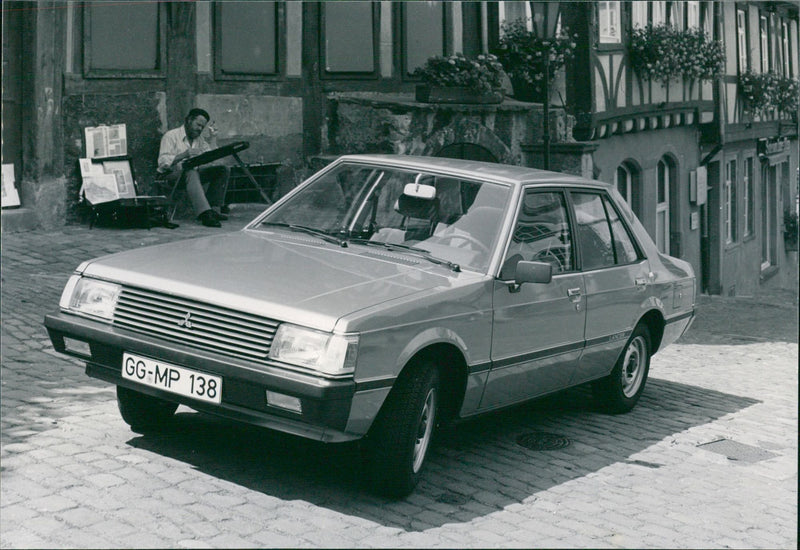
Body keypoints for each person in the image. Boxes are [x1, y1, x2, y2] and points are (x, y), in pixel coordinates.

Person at [158, 108, 230, 227]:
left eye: (202, 127)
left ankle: (212, 209)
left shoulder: (199, 139)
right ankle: (205, 214)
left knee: (222, 169)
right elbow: (162, 162)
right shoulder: (171, 136)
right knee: (190, 170)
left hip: (192, 175)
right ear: (189, 120)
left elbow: (212, 157)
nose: (200, 129)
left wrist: (213, 138)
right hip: (171, 176)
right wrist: (184, 155)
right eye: (198, 125)